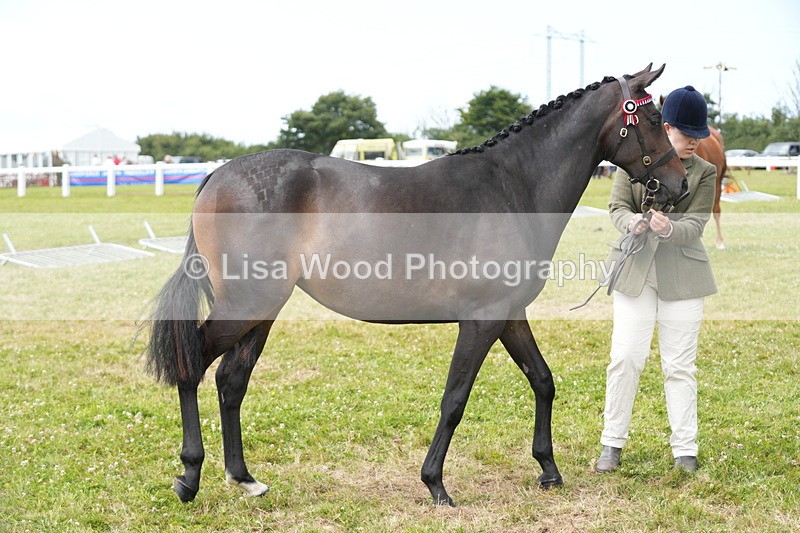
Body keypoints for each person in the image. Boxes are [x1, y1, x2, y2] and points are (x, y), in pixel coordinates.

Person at [595, 86, 718, 473]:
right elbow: (617, 206)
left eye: (700, 134)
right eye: (687, 134)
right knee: (625, 359)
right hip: (635, 272)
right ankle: (611, 445)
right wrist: (630, 221)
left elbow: (697, 223)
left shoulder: (706, 172)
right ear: (666, 128)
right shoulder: (633, 161)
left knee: (679, 366)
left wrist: (669, 229)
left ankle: (685, 450)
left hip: (683, 278)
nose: (696, 142)